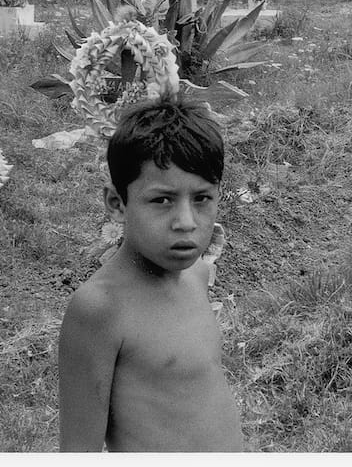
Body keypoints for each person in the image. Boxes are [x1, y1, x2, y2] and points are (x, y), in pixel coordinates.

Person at [58, 98, 244, 452]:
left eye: (202, 198)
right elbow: (77, 450)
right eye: (162, 200)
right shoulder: (99, 309)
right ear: (117, 203)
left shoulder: (197, 276)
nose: (186, 222)